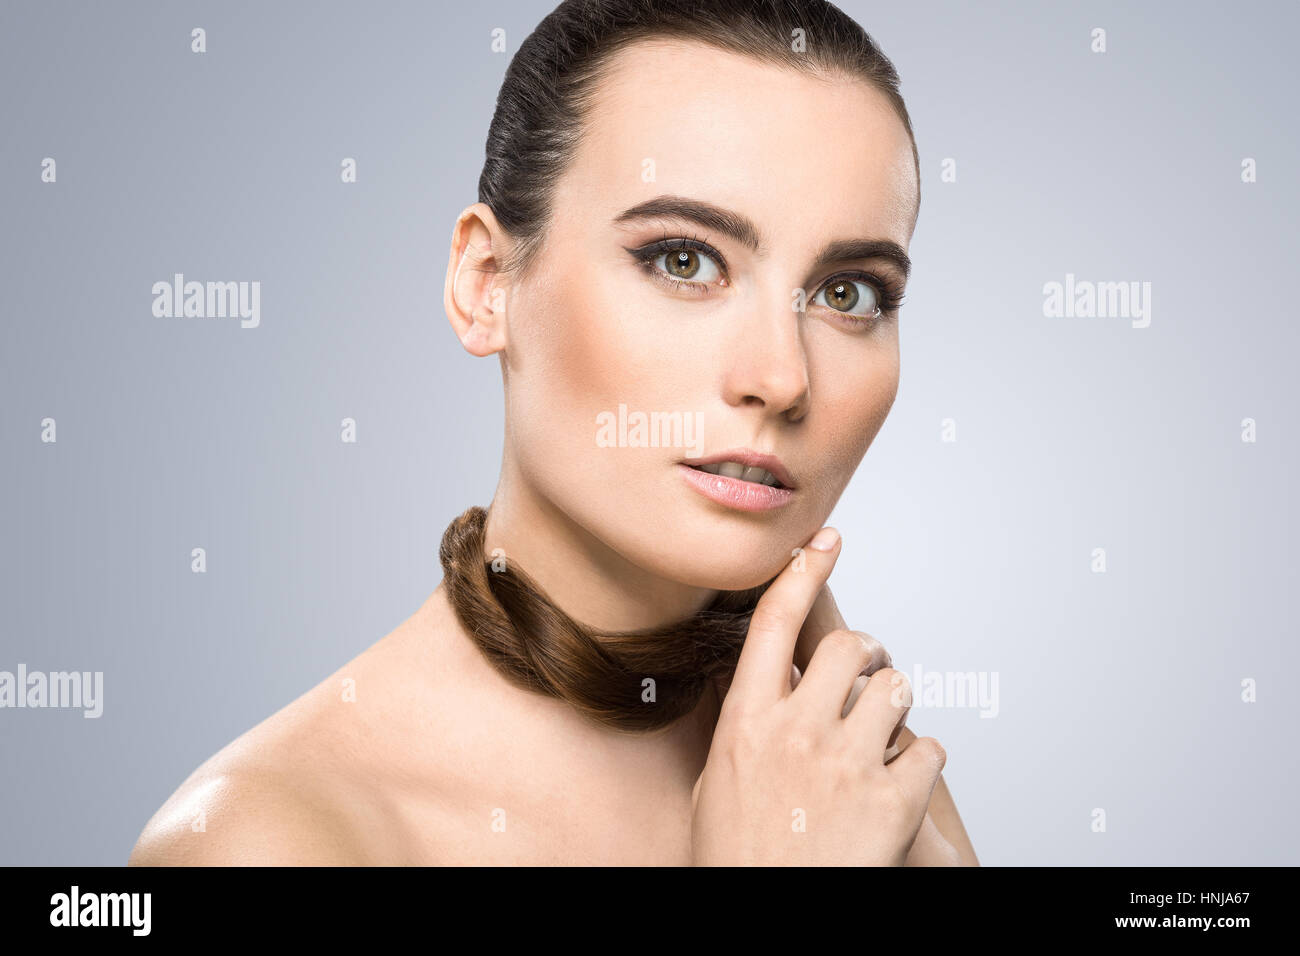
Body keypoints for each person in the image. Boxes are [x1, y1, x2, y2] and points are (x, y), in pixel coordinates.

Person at [129, 0, 977, 866]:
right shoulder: (269, 837)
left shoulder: (856, 772)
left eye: (848, 293)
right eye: (683, 260)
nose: (781, 378)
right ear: (486, 283)